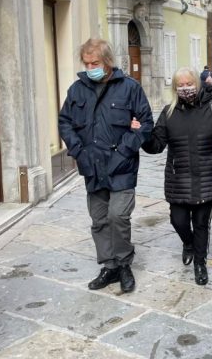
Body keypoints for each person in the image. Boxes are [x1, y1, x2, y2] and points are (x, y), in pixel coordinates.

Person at [58, 38, 153, 294]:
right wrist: (78, 151)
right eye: (87, 63)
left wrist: (125, 149)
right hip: (92, 166)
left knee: (118, 216)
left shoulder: (130, 88)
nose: (90, 67)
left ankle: (123, 264)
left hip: (121, 165)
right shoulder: (77, 90)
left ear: (108, 62)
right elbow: (64, 121)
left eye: (95, 63)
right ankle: (109, 265)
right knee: (99, 219)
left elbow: (145, 123)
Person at [138, 67, 212, 285]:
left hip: (207, 177)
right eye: (180, 85)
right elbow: (156, 146)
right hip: (179, 178)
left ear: (198, 84)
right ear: (175, 88)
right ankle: (188, 243)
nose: (186, 88)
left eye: (189, 83)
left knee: (201, 222)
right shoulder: (169, 112)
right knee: (178, 220)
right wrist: (142, 134)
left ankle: (200, 263)